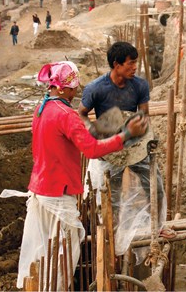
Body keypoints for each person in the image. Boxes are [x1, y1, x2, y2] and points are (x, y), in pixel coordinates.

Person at [14, 61, 148, 289]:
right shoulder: (66, 115)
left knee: (44, 251)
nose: (77, 92)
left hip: (41, 189)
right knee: (62, 254)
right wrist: (126, 134)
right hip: (58, 193)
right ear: (65, 88)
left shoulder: (41, 108)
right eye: (75, 87)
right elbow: (92, 150)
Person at [78, 42, 166, 257]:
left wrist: (136, 128)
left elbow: (144, 114)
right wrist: (95, 131)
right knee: (111, 194)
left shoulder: (140, 86)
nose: (135, 67)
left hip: (134, 143)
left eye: (136, 62)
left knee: (156, 186)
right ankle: (111, 230)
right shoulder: (96, 88)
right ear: (116, 65)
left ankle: (158, 225)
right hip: (109, 145)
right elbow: (80, 113)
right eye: (130, 63)